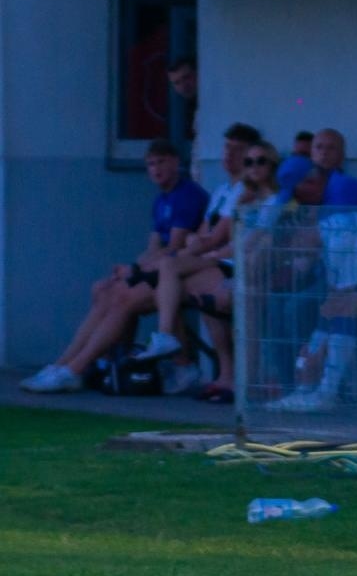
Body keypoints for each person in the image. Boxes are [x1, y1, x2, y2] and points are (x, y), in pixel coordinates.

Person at [20, 139, 208, 393]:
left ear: (175, 162)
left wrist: (136, 272)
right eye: (150, 164)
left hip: (180, 274)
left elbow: (174, 247)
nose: (155, 169)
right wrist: (131, 268)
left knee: (121, 299)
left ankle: (74, 369)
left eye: (161, 162)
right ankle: (71, 364)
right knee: (103, 289)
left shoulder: (188, 195)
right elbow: (153, 247)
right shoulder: (161, 199)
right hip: (163, 271)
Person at [135, 141, 288, 403]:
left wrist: (211, 253)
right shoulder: (243, 198)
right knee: (171, 267)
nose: (253, 167)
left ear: (272, 165)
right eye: (248, 162)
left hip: (250, 268)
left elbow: (254, 242)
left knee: (204, 292)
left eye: (260, 161)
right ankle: (167, 337)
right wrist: (200, 248)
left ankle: (235, 378)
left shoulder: (277, 200)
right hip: (228, 260)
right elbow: (224, 236)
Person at [261, 129, 357, 412]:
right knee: (278, 301)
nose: (298, 200)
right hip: (340, 270)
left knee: (303, 306)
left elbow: (343, 274)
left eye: (330, 148)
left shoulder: (343, 190)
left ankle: (317, 387)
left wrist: (317, 352)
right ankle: (300, 385)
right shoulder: (311, 195)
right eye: (318, 147)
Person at [134, 123, 262, 365]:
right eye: (227, 148)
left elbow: (212, 238)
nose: (229, 154)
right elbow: (202, 234)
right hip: (213, 258)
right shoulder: (222, 190)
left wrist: (195, 250)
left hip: (230, 263)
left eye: (238, 150)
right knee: (165, 276)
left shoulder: (246, 191)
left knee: (170, 277)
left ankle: (178, 353)